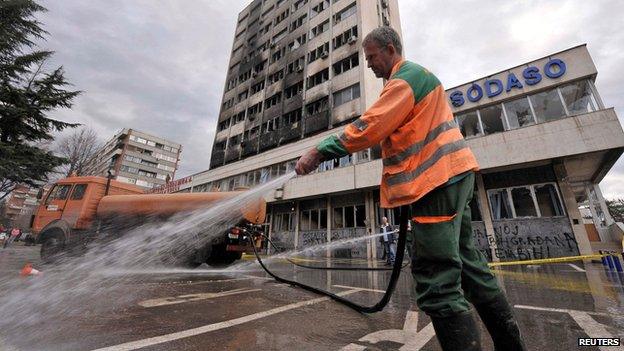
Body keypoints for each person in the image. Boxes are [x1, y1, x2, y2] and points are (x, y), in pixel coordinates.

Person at [295, 26, 525, 351]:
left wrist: (320, 150)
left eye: (372, 57)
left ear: (390, 49)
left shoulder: (404, 80)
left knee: (437, 279)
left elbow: (370, 127)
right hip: (453, 178)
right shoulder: (415, 78)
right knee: (470, 268)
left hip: (436, 182)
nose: (370, 64)